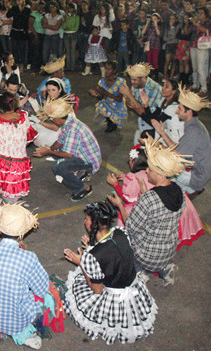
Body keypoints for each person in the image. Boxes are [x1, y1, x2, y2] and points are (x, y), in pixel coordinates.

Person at [63, 201, 158, 345]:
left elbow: (97, 290)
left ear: (93, 224)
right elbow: (112, 252)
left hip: (113, 295)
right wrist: (91, 246)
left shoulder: (92, 257)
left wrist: (81, 262)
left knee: (76, 293)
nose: (85, 222)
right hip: (133, 286)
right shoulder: (121, 232)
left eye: (86, 219)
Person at [108, 136, 192, 285]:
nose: (146, 171)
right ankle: (163, 269)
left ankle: (139, 271)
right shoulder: (179, 191)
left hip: (147, 254)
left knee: (118, 236)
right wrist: (144, 193)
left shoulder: (149, 199)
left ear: (160, 174)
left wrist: (120, 204)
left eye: (150, 169)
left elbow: (131, 227)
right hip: (168, 250)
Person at [0, 200, 49, 351]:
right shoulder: (28, 258)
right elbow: (41, 289)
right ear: (23, 232)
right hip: (18, 319)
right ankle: (24, 335)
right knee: (45, 296)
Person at [33, 96, 101, 202]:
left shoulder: (72, 129)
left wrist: (48, 151)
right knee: (55, 153)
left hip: (89, 162)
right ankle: (80, 172)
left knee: (58, 167)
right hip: (80, 155)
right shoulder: (67, 123)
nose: (50, 119)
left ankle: (83, 188)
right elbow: (60, 142)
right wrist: (49, 149)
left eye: (52, 118)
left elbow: (69, 155)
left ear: (59, 118)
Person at [152, 84, 211, 199]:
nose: (177, 111)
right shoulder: (194, 125)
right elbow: (178, 148)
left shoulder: (194, 131)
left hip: (196, 175)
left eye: (180, 108)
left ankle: (190, 189)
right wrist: (162, 133)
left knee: (160, 174)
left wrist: (156, 146)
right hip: (197, 169)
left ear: (189, 112)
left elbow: (176, 156)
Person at [119, 63, 163, 144]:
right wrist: (127, 97)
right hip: (142, 122)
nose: (132, 82)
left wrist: (129, 95)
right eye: (131, 79)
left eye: (135, 80)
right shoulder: (136, 86)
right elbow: (130, 108)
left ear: (143, 78)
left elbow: (146, 114)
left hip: (154, 126)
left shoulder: (154, 89)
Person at [88, 61, 127, 132]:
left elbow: (119, 99)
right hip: (109, 102)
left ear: (114, 71)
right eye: (106, 68)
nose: (106, 71)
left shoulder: (120, 82)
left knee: (108, 107)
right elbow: (101, 97)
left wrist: (106, 93)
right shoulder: (102, 81)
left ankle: (112, 122)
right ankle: (110, 122)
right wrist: (95, 94)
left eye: (109, 69)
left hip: (118, 104)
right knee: (101, 104)